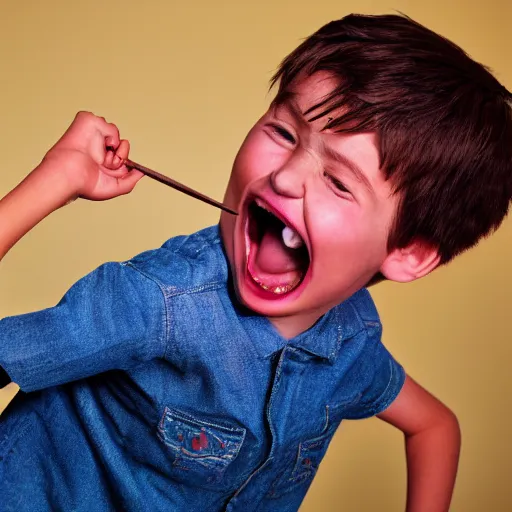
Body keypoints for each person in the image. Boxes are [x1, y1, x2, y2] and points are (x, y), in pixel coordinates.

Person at [0, 13, 510, 512]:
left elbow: (435, 426)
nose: (286, 179)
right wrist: (55, 179)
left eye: (337, 182)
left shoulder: (352, 346)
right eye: (285, 134)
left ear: (408, 252)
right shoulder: (157, 303)